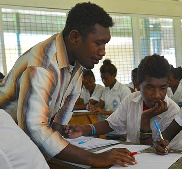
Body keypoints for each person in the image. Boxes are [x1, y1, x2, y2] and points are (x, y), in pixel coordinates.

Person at [0, 2, 136, 167]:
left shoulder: (76, 65)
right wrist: (95, 158)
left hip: (23, 144)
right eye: (98, 43)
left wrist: (60, 139)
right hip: (6, 144)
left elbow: (59, 121)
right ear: (75, 37)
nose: (103, 51)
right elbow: (35, 129)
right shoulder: (43, 65)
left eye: (105, 44)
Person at [65, 54, 182, 150]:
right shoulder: (131, 100)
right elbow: (111, 124)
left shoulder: (173, 112)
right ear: (138, 84)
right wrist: (83, 129)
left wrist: (146, 118)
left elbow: (155, 151)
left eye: (162, 88)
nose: (157, 95)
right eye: (150, 87)